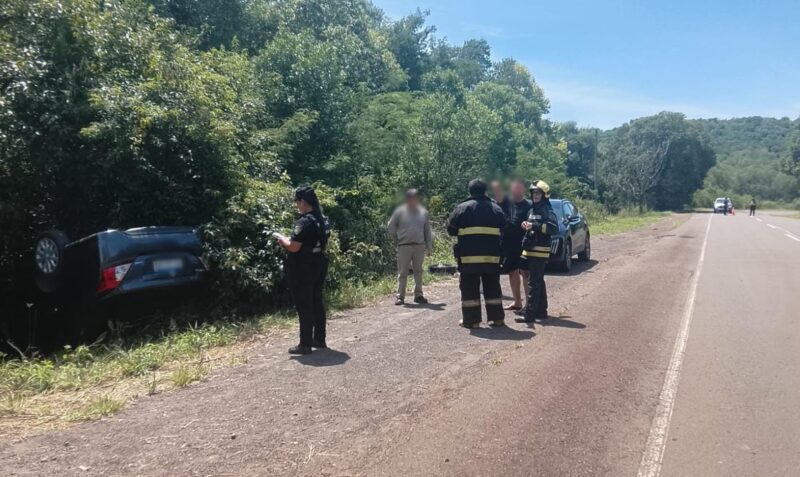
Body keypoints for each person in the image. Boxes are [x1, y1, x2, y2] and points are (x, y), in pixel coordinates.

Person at [275, 186, 331, 355]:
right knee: (316, 300)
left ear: (303, 202)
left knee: (304, 304)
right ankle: (319, 339)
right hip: (319, 262)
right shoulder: (323, 219)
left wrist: (282, 239)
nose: (296, 205)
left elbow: (293, 247)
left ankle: (305, 344)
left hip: (304, 267)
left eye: (297, 202)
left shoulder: (304, 222)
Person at [447, 179, 507, 328]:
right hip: (491, 258)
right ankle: (497, 319)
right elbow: (505, 226)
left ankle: (472, 321)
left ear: (470, 191)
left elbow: (451, 230)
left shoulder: (461, 208)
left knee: (469, 290)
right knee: (493, 288)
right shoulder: (496, 208)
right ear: (485, 191)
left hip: (468, 259)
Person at [519, 180, 558, 324]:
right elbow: (532, 226)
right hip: (529, 251)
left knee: (534, 283)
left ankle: (530, 314)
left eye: (538, 193)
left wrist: (534, 226)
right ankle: (541, 311)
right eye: (534, 193)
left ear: (544, 195)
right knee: (538, 282)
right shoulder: (531, 210)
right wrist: (525, 225)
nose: (535, 196)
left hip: (540, 252)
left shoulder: (548, 210)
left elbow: (554, 228)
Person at [387, 189, 433, 305]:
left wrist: (429, 247)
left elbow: (427, 230)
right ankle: (400, 297)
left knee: (418, 271)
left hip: (419, 245)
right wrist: (397, 239)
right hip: (404, 245)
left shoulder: (423, 212)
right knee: (403, 272)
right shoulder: (399, 212)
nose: (414, 200)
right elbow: (391, 226)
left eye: (416, 197)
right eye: (411, 197)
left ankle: (418, 295)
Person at [500, 180, 531, 311]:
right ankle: (517, 302)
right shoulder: (505, 204)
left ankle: (529, 304)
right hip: (508, 244)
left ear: (523, 190)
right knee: (512, 273)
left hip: (524, 244)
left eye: (518, 188)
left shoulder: (529, 206)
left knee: (525, 273)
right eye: (514, 188)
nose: (516, 191)